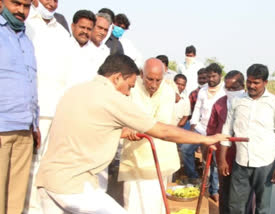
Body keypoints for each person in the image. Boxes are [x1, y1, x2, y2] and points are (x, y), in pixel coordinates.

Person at [36, 54, 228, 214]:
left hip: (47, 181)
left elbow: (88, 128)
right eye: (129, 86)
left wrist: (120, 132)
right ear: (117, 77)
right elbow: (163, 131)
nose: (128, 93)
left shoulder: (76, 90)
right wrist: (206, 138)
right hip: (73, 186)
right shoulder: (111, 97)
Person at [221, 64, 275, 214]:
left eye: (256, 83)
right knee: (235, 206)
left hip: (265, 164)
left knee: (262, 207)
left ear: (265, 82)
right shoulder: (237, 101)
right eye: (249, 81)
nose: (251, 86)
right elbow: (227, 130)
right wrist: (222, 159)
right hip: (241, 162)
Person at [24, 0, 72, 213]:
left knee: (50, 167)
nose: (51, 4)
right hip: (32, 111)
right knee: (30, 167)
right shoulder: (25, 24)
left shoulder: (62, 33)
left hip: (57, 112)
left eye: (55, 0)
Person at [118, 58, 179, 214]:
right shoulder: (130, 87)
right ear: (141, 74)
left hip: (160, 157)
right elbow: (120, 117)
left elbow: (163, 125)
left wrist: (137, 128)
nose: (153, 85)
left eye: (158, 80)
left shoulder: (168, 91)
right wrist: (127, 129)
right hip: (134, 158)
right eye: (149, 79)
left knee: (156, 204)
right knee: (133, 204)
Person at [0, 0, 41, 213]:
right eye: (16, 3)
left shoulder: (26, 40)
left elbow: (30, 82)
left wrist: (35, 123)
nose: (21, 11)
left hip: (24, 130)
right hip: (2, 128)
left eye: (26, 6)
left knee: (16, 202)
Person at [206, 70, 245, 212]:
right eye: (227, 88)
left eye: (234, 88)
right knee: (225, 190)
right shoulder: (219, 104)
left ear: (243, 86)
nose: (230, 91)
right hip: (225, 155)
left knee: (243, 193)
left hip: (245, 156)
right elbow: (211, 129)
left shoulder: (249, 104)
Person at [187, 63, 225, 197]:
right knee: (193, 154)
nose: (211, 79)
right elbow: (197, 109)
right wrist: (193, 124)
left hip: (216, 132)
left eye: (214, 76)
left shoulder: (225, 91)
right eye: (209, 76)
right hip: (201, 129)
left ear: (220, 76)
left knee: (214, 161)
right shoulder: (202, 90)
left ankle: (214, 190)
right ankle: (199, 180)